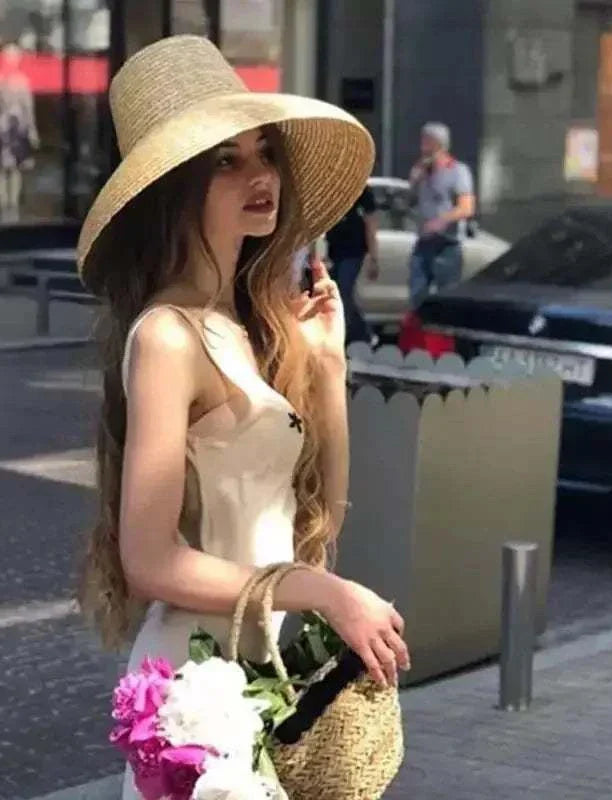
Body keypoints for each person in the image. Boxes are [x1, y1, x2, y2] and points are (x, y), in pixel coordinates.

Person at [74, 36, 410, 800]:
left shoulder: (245, 324)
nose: (261, 177)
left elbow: (313, 524)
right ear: (174, 186)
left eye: (265, 154)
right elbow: (149, 561)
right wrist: (324, 595)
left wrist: (327, 368)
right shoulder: (167, 335)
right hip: (199, 696)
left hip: (265, 676)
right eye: (226, 160)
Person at [408, 122, 475, 306]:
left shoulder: (457, 171)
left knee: (446, 299)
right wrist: (414, 181)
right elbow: (409, 203)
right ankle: (419, 333)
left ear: (438, 144)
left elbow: (466, 207)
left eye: (426, 141)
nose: (422, 146)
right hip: (423, 243)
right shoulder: (422, 171)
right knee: (417, 296)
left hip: (447, 245)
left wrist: (441, 221)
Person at [0, 42, 39, 222]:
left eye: (15, 56)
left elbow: (28, 108)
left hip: (19, 127)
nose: (12, 59)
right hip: (2, 127)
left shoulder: (22, 81)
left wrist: (32, 130)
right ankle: (4, 204)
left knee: (16, 167)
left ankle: (13, 205)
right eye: (9, 55)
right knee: (2, 168)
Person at [325, 185, 380, 346]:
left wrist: (373, 256)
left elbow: (371, 223)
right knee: (336, 293)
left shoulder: (362, 188)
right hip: (334, 249)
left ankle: (356, 335)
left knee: (344, 291)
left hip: (353, 249)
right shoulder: (328, 187)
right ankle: (359, 332)